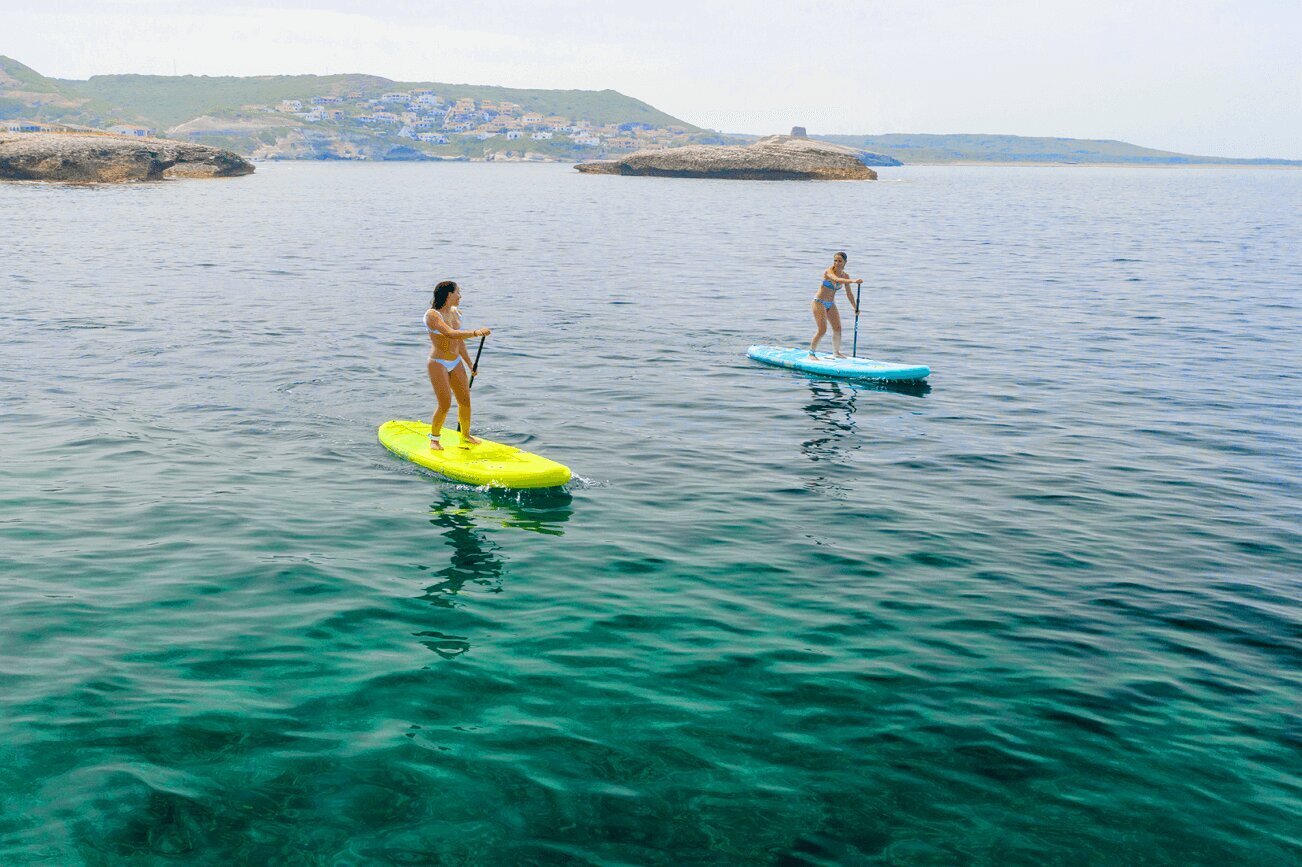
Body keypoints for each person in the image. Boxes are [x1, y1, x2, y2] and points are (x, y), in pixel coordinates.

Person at [425, 280, 491, 451]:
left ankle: (466, 434)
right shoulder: (432, 315)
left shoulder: (455, 313)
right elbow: (451, 334)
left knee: (465, 401)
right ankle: (434, 439)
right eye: (457, 293)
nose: (460, 296)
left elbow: (459, 342)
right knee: (445, 403)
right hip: (437, 363)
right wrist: (476, 333)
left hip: (455, 362)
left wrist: (470, 364)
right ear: (448, 294)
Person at [810, 251, 862, 358]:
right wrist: (853, 281)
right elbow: (836, 279)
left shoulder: (846, 275)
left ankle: (836, 353)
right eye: (835, 260)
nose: (837, 263)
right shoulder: (828, 272)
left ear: (845, 262)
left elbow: (849, 294)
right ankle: (811, 353)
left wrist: (855, 307)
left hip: (830, 303)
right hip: (819, 302)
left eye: (840, 261)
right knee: (822, 330)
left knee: (837, 328)